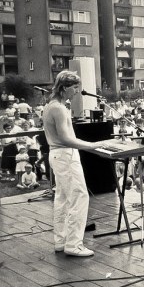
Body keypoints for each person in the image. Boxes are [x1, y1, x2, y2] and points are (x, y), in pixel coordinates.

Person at [43, 70, 106, 257]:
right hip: (64, 155)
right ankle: (74, 244)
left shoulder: (51, 106)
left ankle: (61, 241)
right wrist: (92, 145)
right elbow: (65, 139)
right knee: (79, 197)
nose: (77, 91)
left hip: (58, 155)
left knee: (62, 199)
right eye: (75, 87)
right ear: (64, 88)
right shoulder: (59, 108)